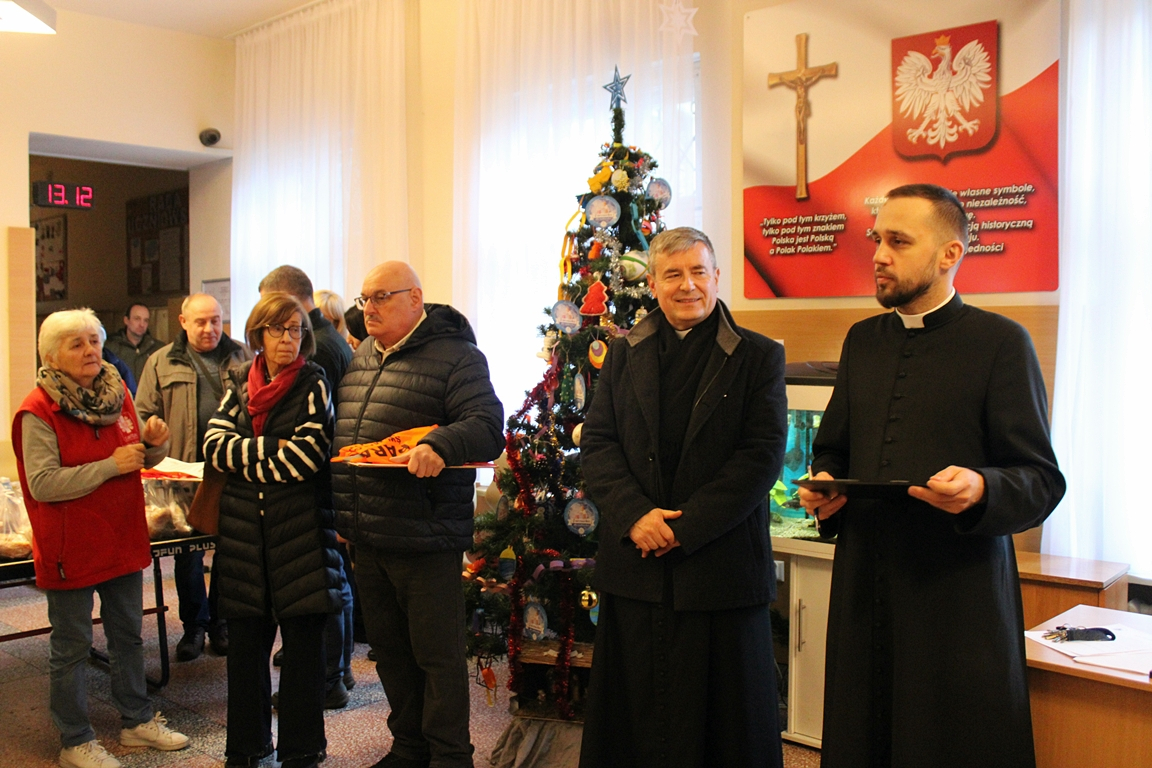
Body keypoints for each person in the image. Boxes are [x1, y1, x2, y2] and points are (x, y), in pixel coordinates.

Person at [797, 184, 1066, 768]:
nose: (879, 255)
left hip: (956, 594)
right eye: (877, 239)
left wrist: (982, 488)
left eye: (898, 241)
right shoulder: (863, 340)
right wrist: (825, 485)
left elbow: (1042, 480)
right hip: (865, 584)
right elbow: (833, 449)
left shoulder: (1002, 343)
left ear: (949, 254)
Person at [577, 227, 788, 768]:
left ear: (716, 277)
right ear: (652, 284)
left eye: (698, 272)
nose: (687, 285)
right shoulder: (623, 354)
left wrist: (683, 526)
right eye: (673, 274)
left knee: (727, 729)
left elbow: (760, 457)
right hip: (638, 565)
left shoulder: (759, 356)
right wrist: (634, 515)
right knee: (636, 722)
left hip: (719, 568)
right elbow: (598, 443)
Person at [332, 261, 504, 768]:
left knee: (437, 657)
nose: (369, 308)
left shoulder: (458, 356)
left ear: (415, 298)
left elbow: (487, 426)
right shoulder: (363, 356)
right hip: (369, 533)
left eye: (381, 297)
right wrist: (345, 516)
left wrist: (440, 444)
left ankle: (450, 756)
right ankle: (409, 747)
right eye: (364, 298)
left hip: (427, 535)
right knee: (390, 653)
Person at [12, 308, 190, 768]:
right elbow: (42, 484)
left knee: (128, 636)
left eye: (94, 340)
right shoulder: (37, 410)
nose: (91, 350)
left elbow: (137, 457)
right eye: (77, 344)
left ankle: (137, 720)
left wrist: (155, 444)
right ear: (51, 356)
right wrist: (110, 466)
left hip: (121, 535)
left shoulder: (117, 392)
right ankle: (75, 740)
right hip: (70, 545)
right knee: (71, 647)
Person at [203, 292, 342, 768]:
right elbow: (214, 445)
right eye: (278, 329)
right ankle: (247, 747)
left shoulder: (314, 383)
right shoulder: (239, 382)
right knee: (245, 652)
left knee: (303, 653)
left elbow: (306, 458)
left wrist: (247, 458)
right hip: (245, 538)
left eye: (296, 330)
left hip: (302, 537)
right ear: (258, 335)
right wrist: (270, 450)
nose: (288, 339)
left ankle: (302, 749)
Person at [258, 265, 356, 708]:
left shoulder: (320, 350)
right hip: (326, 480)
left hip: (319, 482)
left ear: (292, 299)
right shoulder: (327, 338)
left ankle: (330, 676)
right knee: (333, 582)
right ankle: (337, 670)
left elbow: (316, 432)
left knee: (327, 585)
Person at [135, 294, 252, 661]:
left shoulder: (242, 356)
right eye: (200, 321)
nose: (209, 328)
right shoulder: (161, 361)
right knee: (187, 554)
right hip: (181, 473)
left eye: (215, 320)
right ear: (183, 322)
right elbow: (142, 412)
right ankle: (194, 626)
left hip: (229, 470)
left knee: (229, 550)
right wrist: (151, 432)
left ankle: (221, 622)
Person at [104, 303, 164, 391]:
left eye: (146, 320)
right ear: (126, 320)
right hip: (121, 397)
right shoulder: (110, 348)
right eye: (137, 319)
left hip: (148, 398)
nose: (142, 324)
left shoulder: (158, 349)